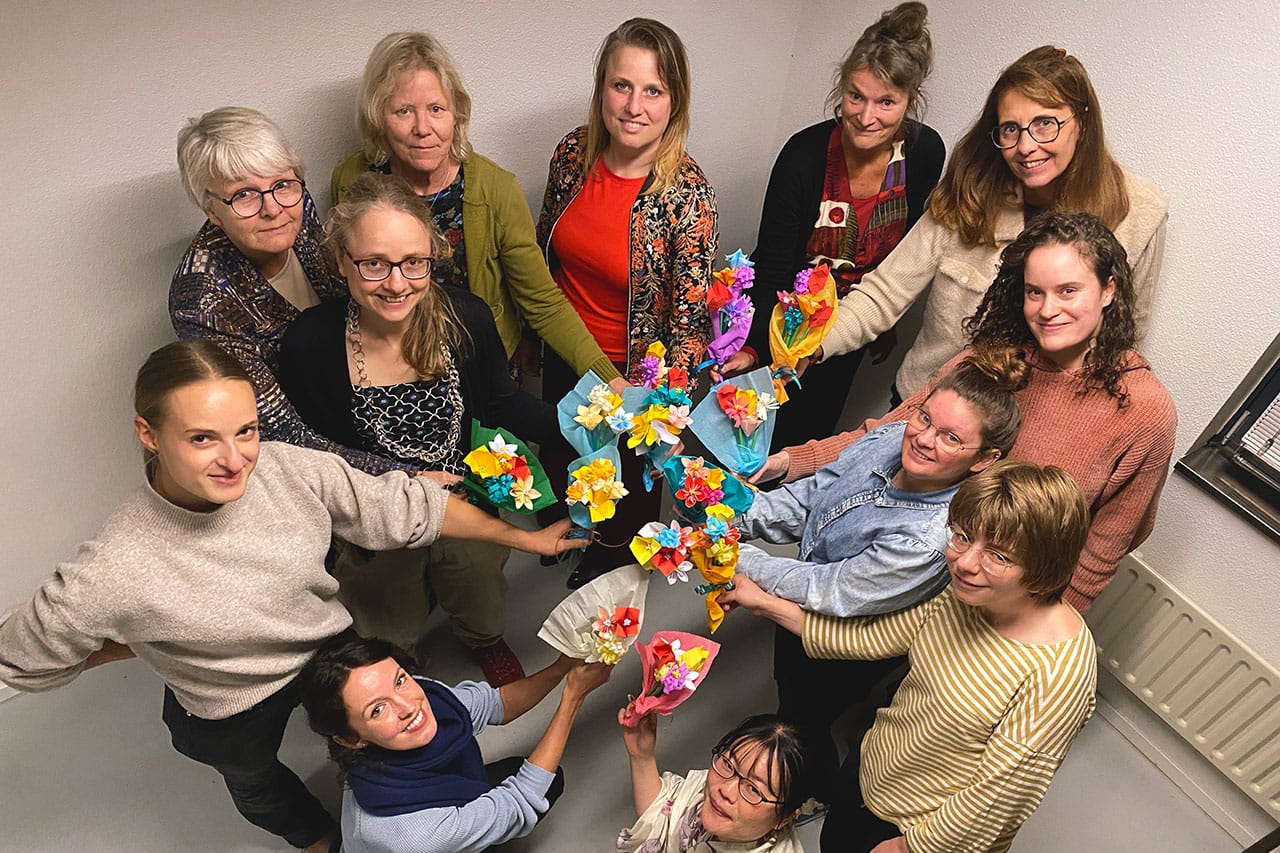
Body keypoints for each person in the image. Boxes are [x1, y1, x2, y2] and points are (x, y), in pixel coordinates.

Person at [0, 341, 584, 853]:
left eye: (246, 431)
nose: (235, 461)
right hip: (228, 702)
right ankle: (318, 839)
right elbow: (18, 657)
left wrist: (526, 538)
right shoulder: (112, 567)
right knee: (254, 781)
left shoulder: (284, 469)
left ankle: (385, 811)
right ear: (148, 434)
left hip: (321, 642)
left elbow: (404, 507)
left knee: (383, 731)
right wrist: (144, 641)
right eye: (202, 438)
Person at [764, 211, 1176, 612]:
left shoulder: (1144, 413)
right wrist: (787, 461)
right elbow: (886, 434)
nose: (1048, 309)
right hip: (884, 577)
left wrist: (1030, 635)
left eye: (1068, 291)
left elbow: (1100, 552)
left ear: (1109, 290)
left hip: (994, 613)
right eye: (1035, 292)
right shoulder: (989, 359)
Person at [721, 461, 1098, 852]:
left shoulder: (1059, 671)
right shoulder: (965, 597)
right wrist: (764, 603)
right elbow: (869, 638)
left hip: (915, 835)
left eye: (999, 556)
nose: (965, 563)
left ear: (1044, 569)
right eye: (963, 536)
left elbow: (997, 799)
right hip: (868, 779)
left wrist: (908, 847)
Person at [279, 172, 565, 685]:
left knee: (479, 587)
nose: (396, 283)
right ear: (342, 260)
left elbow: (503, 403)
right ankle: (397, 662)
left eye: (414, 262)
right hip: (377, 516)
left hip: (467, 499)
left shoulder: (464, 318)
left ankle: (483, 639)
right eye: (374, 263)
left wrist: (589, 427)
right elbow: (315, 456)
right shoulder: (311, 345)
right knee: (384, 617)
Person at [737, 352, 1021, 810]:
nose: (923, 439)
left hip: (847, 638)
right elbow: (814, 496)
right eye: (925, 418)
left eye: (950, 437)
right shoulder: (891, 436)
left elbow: (830, 588)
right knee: (787, 689)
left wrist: (733, 556)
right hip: (802, 595)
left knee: (804, 719)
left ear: (984, 459)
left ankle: (809, 794)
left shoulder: (928, 540)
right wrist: (735, 512)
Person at [811, 44, 1168, 404]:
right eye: (1011, 129)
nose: (1025, 146)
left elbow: (1123, 345)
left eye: (1045, 124)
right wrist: (806, 348)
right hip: (926, 406)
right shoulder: (972, 190)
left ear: (1083, 120)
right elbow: (885, 292)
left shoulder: (1139, 212)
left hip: (1029, 425)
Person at [331, 31, 623, 389]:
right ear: (378, 117)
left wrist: (611, 380)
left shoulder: (494, 189)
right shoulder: (351, 180)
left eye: (436, 109)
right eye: (403, 111)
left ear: (456, 114)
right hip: (383, 371)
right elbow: (344, 284)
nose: (422, 128)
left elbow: (543, 301)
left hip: (479, 372)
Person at [537, 17, 716, 587]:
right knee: (565, 459)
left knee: (623, 493)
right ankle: (567, 534)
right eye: (622, 85)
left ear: (675, 101)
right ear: (602, 88)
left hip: (631, 375)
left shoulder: (687, 196)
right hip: (564, 351)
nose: (634, 106)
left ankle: (607, 560)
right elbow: (542, 253)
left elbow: (688, 321)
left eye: (653, 90)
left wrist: (664, 410)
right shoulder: (573, 154)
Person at [728, 2, 943, 449]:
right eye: (856, 96)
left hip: (852, 327)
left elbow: (908, 256)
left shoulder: (924, 154)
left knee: (807, 444)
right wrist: (755, 348)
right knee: (747, 443)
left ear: (910, 100)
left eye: (886, 102)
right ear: (841, 88)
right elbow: (772, 266)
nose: (866, 117)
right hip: (781, 326)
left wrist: (884, 322)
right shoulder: (803, 156)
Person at [170, 107, 407, 473]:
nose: (272, 208)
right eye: (244, 195)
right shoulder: (202, 302)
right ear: (212, 211)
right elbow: (285, 435)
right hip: (313, 461)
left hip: (366, 401)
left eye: (282, 184)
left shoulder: (294, 201)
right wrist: (409, 479)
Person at [300, 633, 612, 853]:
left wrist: (561, 667)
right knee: (536, 787)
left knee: (544, 779)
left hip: (436, 813)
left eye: (399, 679)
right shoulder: (414, 834)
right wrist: (573, 697)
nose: (409, 706)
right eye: (378, 710)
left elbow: (496, 704)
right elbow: (520, 804)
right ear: (352, 739)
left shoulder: (423, 694)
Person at [617, 711, 811, 852]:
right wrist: (641, 756)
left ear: (784, 818)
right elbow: (663, 815)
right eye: (729, 764)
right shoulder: (716, 781)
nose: (726, 790)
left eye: (753, 789)